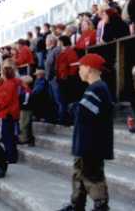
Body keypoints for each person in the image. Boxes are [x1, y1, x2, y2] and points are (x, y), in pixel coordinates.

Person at [58, 53, 113, 211]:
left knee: (92, 175)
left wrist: (74, 106)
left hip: (91, 144)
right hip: (86, 143)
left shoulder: (97, 88)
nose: (79, 71)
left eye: (80, 67)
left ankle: (101, 206)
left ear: (89, 68)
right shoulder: (95, 88)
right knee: (79, 174)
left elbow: (82, 113)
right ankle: (77, 205)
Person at [0, 59, 21, 163]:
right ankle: (9, 155)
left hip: (8, 112)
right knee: (7, 135)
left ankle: (11, 157)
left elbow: (4, 98)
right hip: (9, 111)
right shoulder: (10, 82)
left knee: (8, 136)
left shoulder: (10, 83)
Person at [56, 35, 80, 125]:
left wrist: (68, 77)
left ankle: (68, 119)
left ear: (62, 42)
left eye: (59, 42)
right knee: (63, 101)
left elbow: (74, 66)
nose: (58, 44)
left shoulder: (70, 51)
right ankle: (64, 119)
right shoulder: (64, 52)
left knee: (67, 101)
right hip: (63, 79)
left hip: (67, 80)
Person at [45, 34, 63, 125]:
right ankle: (55, 117)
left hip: (55, 78)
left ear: (51, 41)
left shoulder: (56, 50)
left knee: (58, 99)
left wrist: (51, 76)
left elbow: (52, 64)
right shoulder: (50, 51)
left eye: (47, 41)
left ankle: (61, 118)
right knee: (53, 100)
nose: (45, 42)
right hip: (50, 78)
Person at [19, 75, 35, 146]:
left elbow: (25, 102)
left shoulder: (27, 91)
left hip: (26, 109)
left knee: (24, 124)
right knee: (24, 124)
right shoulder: (26, 90)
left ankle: (24, 139)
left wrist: (20, 105)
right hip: (25, 109)